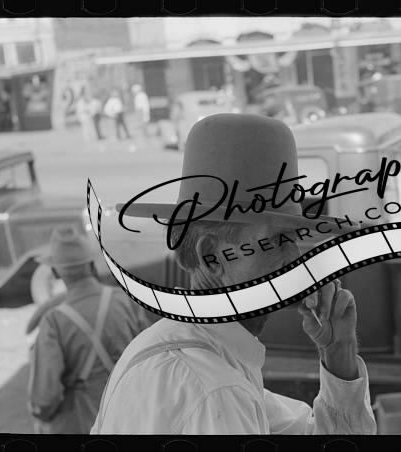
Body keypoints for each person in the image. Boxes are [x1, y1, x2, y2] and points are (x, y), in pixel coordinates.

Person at [91, 114, 377, 434]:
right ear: (212, 257)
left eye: (294, 240)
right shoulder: (214, 389)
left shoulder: (200, 355)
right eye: (276, 242)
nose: (296, 259)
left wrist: (338, 350)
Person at [27, 225, 152, 434]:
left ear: (55, 272)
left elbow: (45, 396)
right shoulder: (125, 301)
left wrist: (41, 415)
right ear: (92, 265)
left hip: (84, 422)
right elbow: (149, 358)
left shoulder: (54, 320)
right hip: (130, 415)